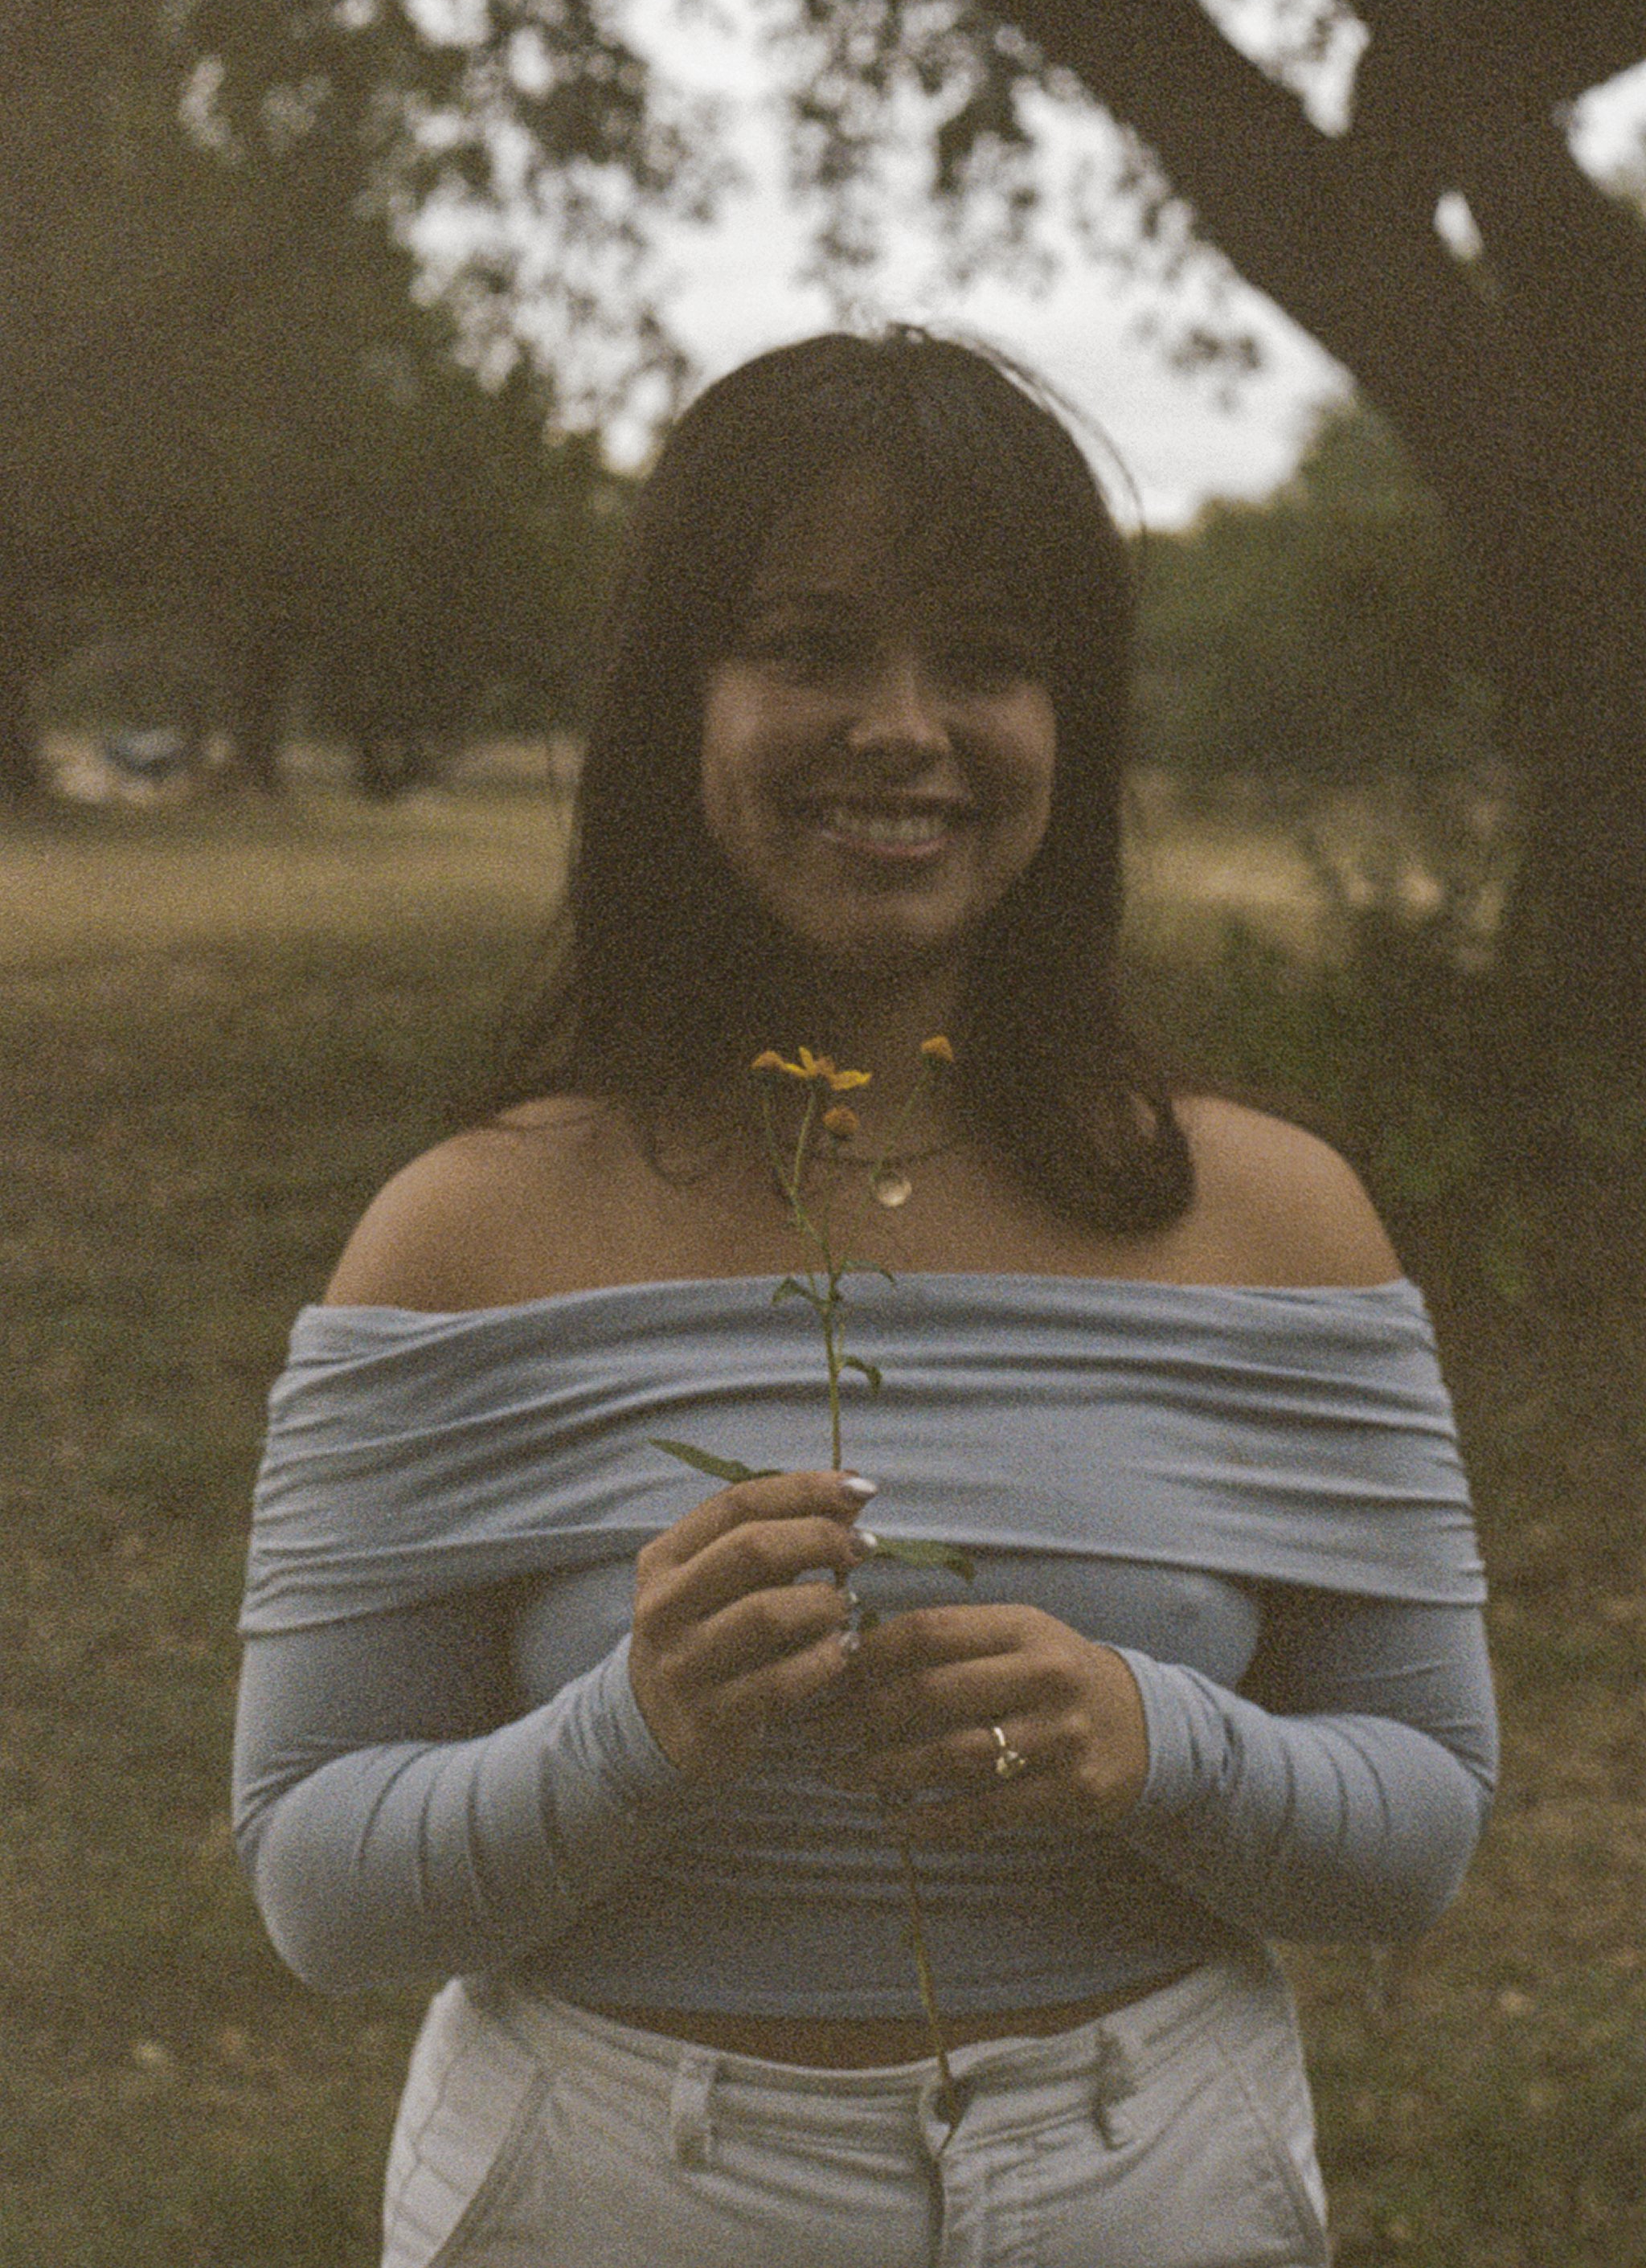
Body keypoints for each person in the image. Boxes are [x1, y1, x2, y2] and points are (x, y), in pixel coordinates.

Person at [233, 328, 1497, 2268]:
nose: (903, 726)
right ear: (679, 709)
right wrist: (630, 1733)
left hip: (1152, 2179)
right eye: (809, 646)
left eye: (984, 657)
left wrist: (1153, 1737)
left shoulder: (1279, 1221)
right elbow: (321, 1889)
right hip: (613, 2192)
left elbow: (1421, 1826)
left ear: (1069, 726)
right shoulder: (459, 1238)